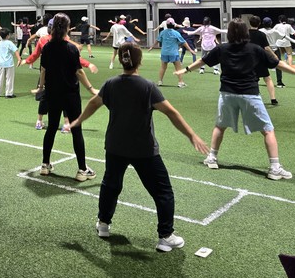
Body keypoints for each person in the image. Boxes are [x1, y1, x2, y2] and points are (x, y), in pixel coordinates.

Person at [70, 42, 208, 251]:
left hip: (115, 146)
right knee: (163, 191)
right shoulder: (147, 86)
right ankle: (165, 236)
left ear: (120, 60)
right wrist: (192, 135)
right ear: (139, 61)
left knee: (110, 186)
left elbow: (93, 103)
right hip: (143, 149)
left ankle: (103, 224)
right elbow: (171, 112)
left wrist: (78, 121)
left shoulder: (110, 84)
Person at [175, 18, 295, 180]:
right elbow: (278, 64)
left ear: (229, 33)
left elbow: (202, 61)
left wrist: (185, 70)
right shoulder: (255, 49)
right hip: (250, 94)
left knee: (220, 126)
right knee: (267, 130)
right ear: (245, 32)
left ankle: (212, 158)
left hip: (227, 94)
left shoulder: (222, 48)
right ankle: (275, 168)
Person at [38, 13, 99, 181]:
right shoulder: (71, 48)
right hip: (70, 94)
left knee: (51, 128)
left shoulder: (47, 47)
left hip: (52, 94)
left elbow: (43, 70)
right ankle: (82, 170)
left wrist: (41, 88)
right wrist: (91, 89)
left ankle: (45, 165)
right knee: (76, 130)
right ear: (67, 28)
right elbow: (79, 71)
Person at [248, 16, 279, 106]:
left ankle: (254, 98)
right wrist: (274, 55)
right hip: (260, 59)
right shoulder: (261, 34)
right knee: (267, 79)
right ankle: (273, 99)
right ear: (259, 23)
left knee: (252, 80)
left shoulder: (245, 34)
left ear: (250, 23)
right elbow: (266, 48)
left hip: (248, 59)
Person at [156, 19, 194, 88]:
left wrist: (152, 47)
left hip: (164, 52)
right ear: (173, 25)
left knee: (163, 67)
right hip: (174, 53)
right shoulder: (176, 33)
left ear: (166, 25)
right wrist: (190, 50)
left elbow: (158, 40)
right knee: (178, 68)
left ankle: (160, 81)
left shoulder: (162, 32)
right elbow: (183, 42)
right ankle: (180, 82)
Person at [0, 29, 21, 98]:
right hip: (9, 63)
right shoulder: (9, 43)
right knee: (9, 79)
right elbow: (16, 51)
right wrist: (19, 59)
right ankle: (8, 93)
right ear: (7, 36)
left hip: (1, 64)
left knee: (0, 78)